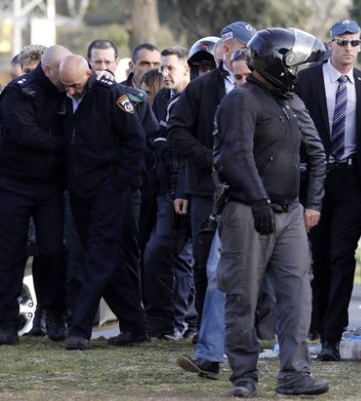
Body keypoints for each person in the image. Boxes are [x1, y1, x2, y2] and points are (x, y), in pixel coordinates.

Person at [214, 27, 328, 397]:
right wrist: (259, 200)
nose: (299, 70)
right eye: (294, 63)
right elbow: (235, 155)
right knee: (242, 295)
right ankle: (244, 377)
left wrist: (308, 202)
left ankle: (295, 374)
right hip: (248, 211)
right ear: (278, 64)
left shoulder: (284, 100)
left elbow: (309, 155)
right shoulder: (241, 100)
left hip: (289, 212)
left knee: (298, 292)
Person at [169, 22, 254, 379]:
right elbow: (175, 131)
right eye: (234, 46)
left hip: (254, 192)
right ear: (222, 49)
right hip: (208, 190)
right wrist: (209, 160)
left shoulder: (264, 89)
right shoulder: (201, 89)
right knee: (209, 269)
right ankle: (209, 347)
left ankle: (270, 343)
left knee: (266, 273)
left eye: (245, 48)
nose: (237, 53)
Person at [295, 19, 361, 361]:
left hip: (349, 179)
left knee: (343, 255)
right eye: (342, 42)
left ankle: (333, 334)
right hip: (313, 178)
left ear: (360, 46)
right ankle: (315, 324)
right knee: (317, 256)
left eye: (354, 43)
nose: (348, 49)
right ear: (330, 44)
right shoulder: (307, 80)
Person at [60, 55, 148, 350]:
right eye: (66, 86)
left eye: (74, 85)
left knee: (97, 258)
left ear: (88, 74)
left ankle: (79, 328)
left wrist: (118, 183)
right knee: (107, 259)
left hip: (109, 192)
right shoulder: (66, 100)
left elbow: (136, 140)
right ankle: (135, 325)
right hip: (81, 192)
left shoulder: (111, 96)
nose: (71, 91)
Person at [0, 45, 72, 345]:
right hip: (13, 184)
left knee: (54, 252)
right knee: (10, 254)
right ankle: (5, 322)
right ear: (48, 70)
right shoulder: (19, 91)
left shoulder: (69, 90)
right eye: (62, 72)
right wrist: (68, 143)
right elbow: (26, 134)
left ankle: (55, 316)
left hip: (50, 187)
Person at [144, 46, 194, 339]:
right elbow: (156, 136)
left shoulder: (196, 97)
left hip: (189, 188)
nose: (164, 74)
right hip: (166, 187)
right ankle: (164, 321)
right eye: (162, 68)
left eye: (170, 68)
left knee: (188, 257)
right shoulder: (163, 97)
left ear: (186, 70)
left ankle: (189, 321)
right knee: (157, 253)